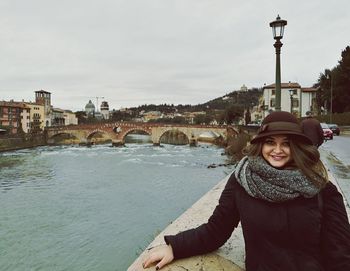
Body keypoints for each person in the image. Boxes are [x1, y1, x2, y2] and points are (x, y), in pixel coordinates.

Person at [143, 111, 350, 271]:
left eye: (286, 144)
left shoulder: (322, 189)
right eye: (270, 142)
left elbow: (340, 255)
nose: (277, 150)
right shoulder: (242, 180)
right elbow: (215, 230)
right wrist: (175, 247)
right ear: (260, 144)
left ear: (296, 147)